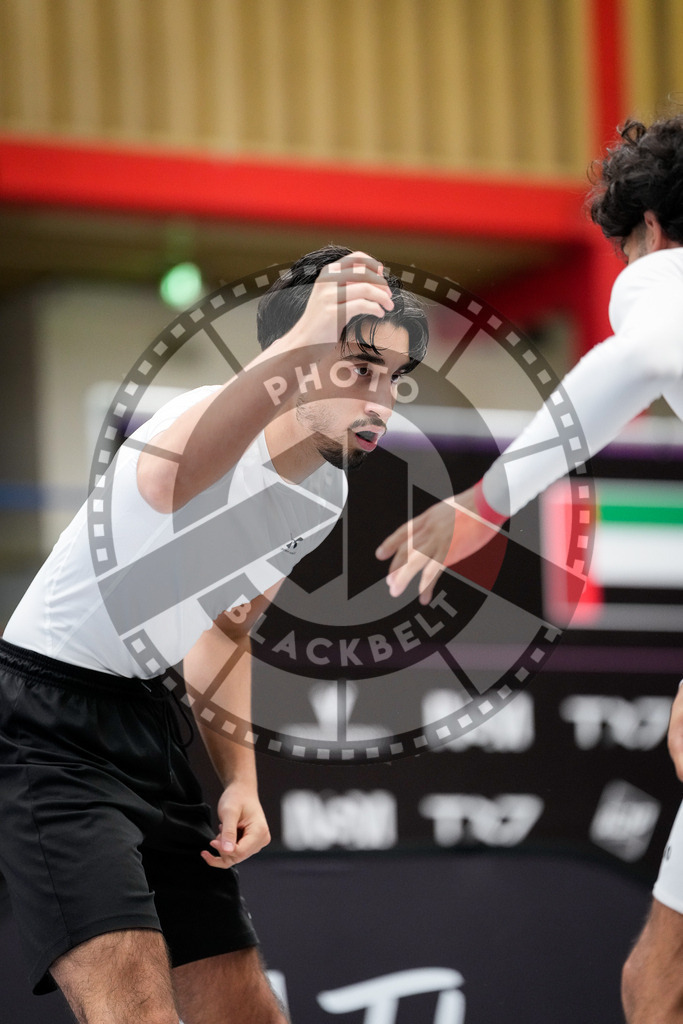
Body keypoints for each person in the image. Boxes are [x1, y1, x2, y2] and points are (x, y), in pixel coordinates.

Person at [0, 244, 429, 1024]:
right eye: (359, 368)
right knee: (133, 1007)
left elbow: (228, 625)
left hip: (147, 724)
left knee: (244, 1011)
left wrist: (241, 779)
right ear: (295, 360)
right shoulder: (193, 416)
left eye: (395, 380)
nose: (382, 402)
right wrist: (309, 328)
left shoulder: (323, 491)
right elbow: (181, 481)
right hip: (41, 724)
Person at [375, 114, 683, 1024]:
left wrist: (481, 504)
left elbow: (638, 353)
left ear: (652, 231)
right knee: (655, 979)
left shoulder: (659, 289)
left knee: (655, 983)